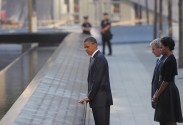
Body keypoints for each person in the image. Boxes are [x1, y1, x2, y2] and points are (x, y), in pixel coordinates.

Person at [79, 37, 113, 125]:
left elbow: (96, 80)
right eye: (85, 47)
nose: (86, 49)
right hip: (98, 100)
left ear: (95, 45)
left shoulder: (99, 59)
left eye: (88, 47)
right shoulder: (93, 57)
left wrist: (89, 97)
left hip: (101, 101)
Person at [152, 37, 183, 125]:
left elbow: (166, 81)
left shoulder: (170, 60)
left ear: (167, 47)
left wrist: (157, 95)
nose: (160, 49)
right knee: (164, 118)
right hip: (165, 91)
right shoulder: (165, 58)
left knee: (170, 118)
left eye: (162, 47)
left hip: (169, 92)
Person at [150, 38, 166, 125]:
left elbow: (165, 81)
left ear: (160, 48)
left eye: (153, 49)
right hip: (157, 96)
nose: (152, 51)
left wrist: (157, 95)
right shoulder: (159, 60)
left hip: (161, 96)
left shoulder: (165, 60)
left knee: (164, 120)